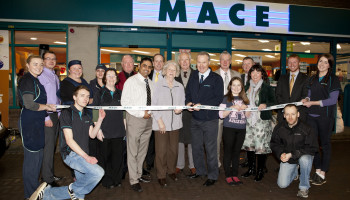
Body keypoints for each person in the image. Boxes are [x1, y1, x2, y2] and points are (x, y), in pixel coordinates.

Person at [30, 85, 105, 200]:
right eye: (82, 95)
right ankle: (57, 192)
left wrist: (99, 120)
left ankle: (48, 195)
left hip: (82, 153)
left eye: (88, 96)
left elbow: (92, 135)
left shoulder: (86, 114)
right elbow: (69, 140)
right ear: (75, 97)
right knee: (98, 173)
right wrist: (87, 157)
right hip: (71, 154)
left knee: (80, 192)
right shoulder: (67, 113)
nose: (85, 99)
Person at [18, 55, 56, 199]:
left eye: (41, 64)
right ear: (27, 65)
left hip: (37, 122)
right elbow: (29, 104)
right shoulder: (27, 80)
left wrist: (46, 108)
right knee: (32, 162)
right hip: (29, 124)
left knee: (38, 159)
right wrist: (47, 107)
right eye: (35, 64)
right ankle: (30, 195)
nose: (39, 67)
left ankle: (36, 191)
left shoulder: (36, 80)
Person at [301, 53, 341, 186]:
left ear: (329, 65)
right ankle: (317, 170)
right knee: (313, 145)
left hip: (325, 116)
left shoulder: (333, 79)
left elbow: (332, 100)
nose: (322, 64)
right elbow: (309, 95)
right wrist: (306, 100)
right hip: (311, 116)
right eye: (320, 61)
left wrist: (313, 103)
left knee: (325, 144)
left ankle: (323, 172)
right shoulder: (312, 78)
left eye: (325, 62)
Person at [185, 52, 224, 186]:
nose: (201, 65)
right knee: (196, 147)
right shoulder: (193, 76)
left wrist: (204, 105)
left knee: (210, 148)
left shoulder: (216, 79)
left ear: (209, 63)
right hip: (195, 119)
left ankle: (213, 175)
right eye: (199, 62)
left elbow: (218, 98)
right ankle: (200, 171)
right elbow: (188, 93)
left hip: (210, 120)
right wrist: (188, 103)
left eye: (204, 62)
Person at [270, 104, 318, 198]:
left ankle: (304, 187)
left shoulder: (307, 128)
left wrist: (292, 154)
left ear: (298, 114)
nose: (290, 117)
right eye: (287, 114)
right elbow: (274, 144)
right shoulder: (279, 128)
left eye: (293, 114)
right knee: (282, 185)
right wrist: (281, 154)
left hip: (302, 155)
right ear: (284, 115)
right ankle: (295, 171)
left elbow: (312, 148)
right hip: (289, 158)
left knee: (305, 160)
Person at [121, 57, 154, 192]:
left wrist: (149, 113)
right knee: (133, 151)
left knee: (142, 151)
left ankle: (139, 174)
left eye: (149, 67)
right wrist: (142, 114)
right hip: (135, 119)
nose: (147, 68)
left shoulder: (150, 83)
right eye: (144, 65)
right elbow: (125, 103)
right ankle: (133, 180)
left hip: (148, 120)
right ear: (139, 66)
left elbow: (152, 102)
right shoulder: (131, 81)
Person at [152, 60, 185, 187]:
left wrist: (180, 108)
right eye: (169, 69)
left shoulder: (180, 86)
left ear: (177, 72)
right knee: (161, 151)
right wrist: (160, 121)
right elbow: (153, 105)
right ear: (165, 71)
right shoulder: (157, 85)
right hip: (161, 123)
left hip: (175, 124)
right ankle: (161, 175)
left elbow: (182, 103)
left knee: (173, 150)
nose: (171, 72)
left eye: (174, 70)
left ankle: (171, 171)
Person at [241, 64, 275, 182]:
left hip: (261, 122)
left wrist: (266, 104)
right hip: (248, 121)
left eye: (258, 72)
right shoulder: (246, 87)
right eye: (253, 72)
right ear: (250, 74)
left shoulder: (267, 87)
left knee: (260, 148)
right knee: (249, 146)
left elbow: (274, 102)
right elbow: (242, 101)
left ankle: (260, 171)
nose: (255, 74)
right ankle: (251, 169)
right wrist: (245, 108)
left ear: (262, 74)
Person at [93, 68, 126, 189]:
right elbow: (95, 112)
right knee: (105, 157)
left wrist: (125, 129)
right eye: (109, 76)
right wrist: (98, 130)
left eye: (113, 76)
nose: (111, 78)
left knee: (118, 157)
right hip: (104, 130)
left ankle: (117, 180)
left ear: (116, 79)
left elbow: (124, 113)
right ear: (105, 78)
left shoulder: (121, 93)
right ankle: (107, 180)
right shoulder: (99, 93)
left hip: (118, 130)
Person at [38, 51, 62, 187]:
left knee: (52, 147)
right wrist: (46, 116)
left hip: (55, 113)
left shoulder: (54, 75)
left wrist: (58, 113)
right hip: (47, 114)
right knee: (48, 147)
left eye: (53, 59)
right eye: (48, 59)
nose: (51, 61)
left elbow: (55, 96)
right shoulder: (41, 75)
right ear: (43, 60)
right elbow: (41, 99)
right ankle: (47, 179)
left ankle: (50, 173)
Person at [219, 77, 248, 185]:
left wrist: (246, 109)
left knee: (236, 153)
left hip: (241, 129)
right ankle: (228, 175)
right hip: (229, 129)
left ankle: (235, 174)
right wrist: (232, 107)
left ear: (241, 87)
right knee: (228, 152)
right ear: (230, 86)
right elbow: (221, 115)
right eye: (234, 85)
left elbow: (248, 116)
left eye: (238, 85)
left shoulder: (245, 99)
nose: (236, 87)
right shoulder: (226, 98)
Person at [214, 51, 241, 168]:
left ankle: (230, 162)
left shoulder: (237, 74)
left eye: (227, 60)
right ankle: (216, 162)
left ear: (230, 62)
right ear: (219, 61)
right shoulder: (213, 75)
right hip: (219, 112)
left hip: (234, 113)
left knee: (231, 141)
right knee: (217, 140)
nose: (225, 62)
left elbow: (241, 92)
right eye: (223, 60)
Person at [175, 52, 196, 176]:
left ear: (190, 60)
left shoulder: (197, 74)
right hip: (179, 113)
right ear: (179, 61)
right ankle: (179, 164)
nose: (184, 62)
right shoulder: (175, 74)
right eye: (182, 60)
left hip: (193, 113)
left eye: (186, 59)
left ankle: (193, 165)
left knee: (193, 139)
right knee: (180, 139)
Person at [144, 53, 165, 172]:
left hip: (162, 113)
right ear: (153, 63)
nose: (158, 63)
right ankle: (149, 163)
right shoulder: (147, 74)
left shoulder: (168, 75)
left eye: (161, 61)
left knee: (161, 140)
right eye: (156, 61)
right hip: (149, 112)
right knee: (150, 140)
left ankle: (161, 163)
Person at [276, 54, 308, 123]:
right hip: (283, 115)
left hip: (299, 115)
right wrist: (286, 109)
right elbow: (278, 95)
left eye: (294, 62)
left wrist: (293, 110)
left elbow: (305, 95)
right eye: (290, 62)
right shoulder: (282, 78)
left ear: (299, 63)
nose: (292, 64)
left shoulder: (306, 78)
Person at [89, 64, 107, 158]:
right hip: (94, 117)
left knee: (105, 142)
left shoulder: (109, 83)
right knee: (94, 143)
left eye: (102, 71)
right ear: (95, 72)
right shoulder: (91, 84)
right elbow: (89, 100)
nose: (100, 73)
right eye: (98, 70)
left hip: (107, 117)